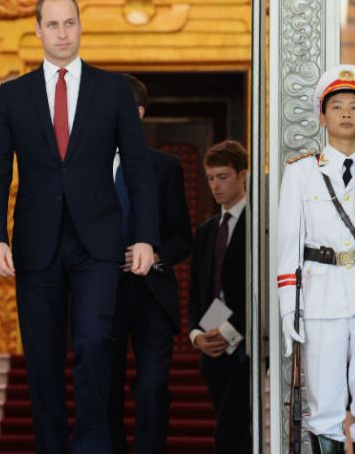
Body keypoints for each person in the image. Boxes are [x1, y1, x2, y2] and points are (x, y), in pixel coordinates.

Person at [0, 0, 159, 454]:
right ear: (38, 30)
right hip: (36, 243)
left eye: (70, 23)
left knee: (95, 342)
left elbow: (139, 168)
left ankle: (94, 446)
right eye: (53, 25)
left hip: (99, 242)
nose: (62, 33)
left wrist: (145, 237)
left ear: (81, 27)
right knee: (42, 357)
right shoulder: (12, 95)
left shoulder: (113, 89)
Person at [277, 64, 355, 454]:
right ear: (322, 116)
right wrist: (287, 311)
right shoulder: (300, 173)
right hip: (321, 298)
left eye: (354, 106)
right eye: (336, 106)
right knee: (325, 404)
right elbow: (288, 247)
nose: (346, 113)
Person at [107, 75, 193, 454]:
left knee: (152, 386)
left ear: (137, 113)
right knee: (104, 388)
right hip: (103, 295)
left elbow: (182, 238)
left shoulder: (165, 167)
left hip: (152, 295)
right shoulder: (82, 171)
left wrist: (154, 255)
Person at [188, 140, 252, 454]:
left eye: (223, 176)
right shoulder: (208, 229)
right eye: (211, 177)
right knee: (225, 424)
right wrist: (197, 334)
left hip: (246, 343)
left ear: (243, 175)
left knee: (232, 430)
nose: (215, 185)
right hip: (212, 340)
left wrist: (231, 330)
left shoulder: (258, 225)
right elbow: (199, 291)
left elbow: (256, 291)